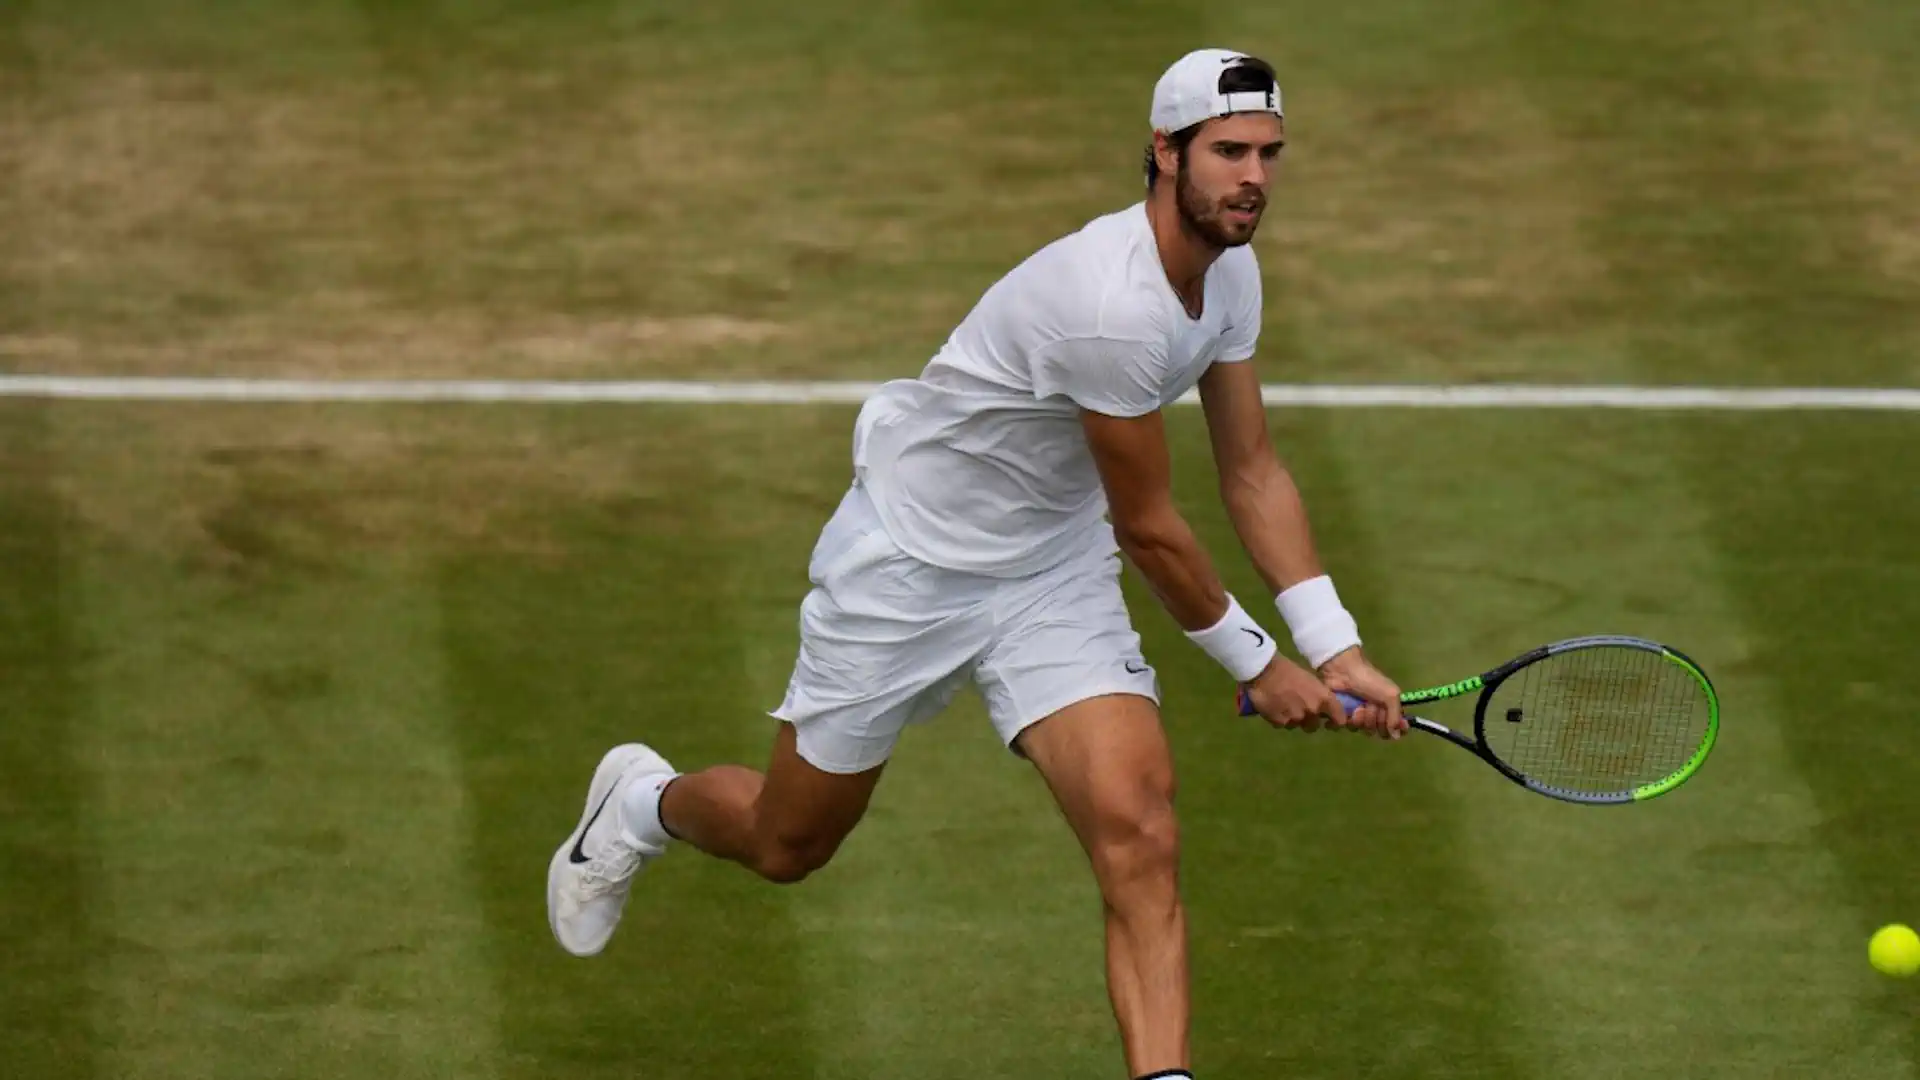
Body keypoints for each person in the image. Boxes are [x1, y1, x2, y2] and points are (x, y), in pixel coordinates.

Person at [546, 47, 1408, 1080]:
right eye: (1228, 151)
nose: (1253, 177)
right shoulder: (1111, 305)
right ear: (1164, 153)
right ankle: (642, 803)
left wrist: (1336, 645)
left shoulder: (1232, 274)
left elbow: (1254, 471)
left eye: (1269, 153)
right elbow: (1150, 527)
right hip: (910, 562)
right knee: (787, 844)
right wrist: (1260, 665)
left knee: (1141, 830)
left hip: (1048, 570)